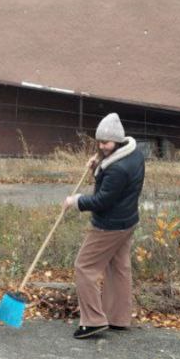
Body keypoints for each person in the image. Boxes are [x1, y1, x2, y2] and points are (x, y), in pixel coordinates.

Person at [65, 112, 144, 339]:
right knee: (119, 268)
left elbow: (102, 200)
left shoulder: (117, 169)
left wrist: (76, 201)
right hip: (127, 221)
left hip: (109, 225)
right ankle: (118, 318)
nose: (102, 146)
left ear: (117, 141)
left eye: (106, 143)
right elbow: (112, 181)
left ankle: (92, 321)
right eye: (99, 142)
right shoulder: (134, 154)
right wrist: (98, 165)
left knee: (84, 267)